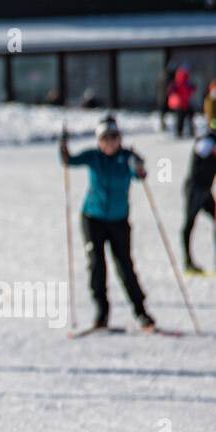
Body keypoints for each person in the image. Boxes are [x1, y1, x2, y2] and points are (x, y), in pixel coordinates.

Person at [59, 116, 155, 331]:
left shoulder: (127, 157)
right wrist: (63, 148)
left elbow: (140, 174)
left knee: (125, 266)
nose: (110, 143)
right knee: (97, 266)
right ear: (99, 141)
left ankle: (141, 313)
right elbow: (69, 161)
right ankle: (101, 313)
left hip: (119, 221)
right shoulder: (94, 157)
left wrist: (139, 167)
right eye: (105, 139)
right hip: (93, 219)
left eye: (114, 138)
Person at [181, 123, 216, 274]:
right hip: (194, 190)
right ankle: (188, 261)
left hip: (205, 191)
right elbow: (201, 149)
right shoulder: (207, 141)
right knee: (189, 225)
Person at [167, 67, 196, 139]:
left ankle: (187, 131)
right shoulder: (179, 84)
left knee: (187, 117)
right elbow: (171, 91)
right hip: (180, 104)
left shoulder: (184, 84)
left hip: (184, 103)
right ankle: (181, 132)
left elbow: (190, 92)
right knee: (181, 119)